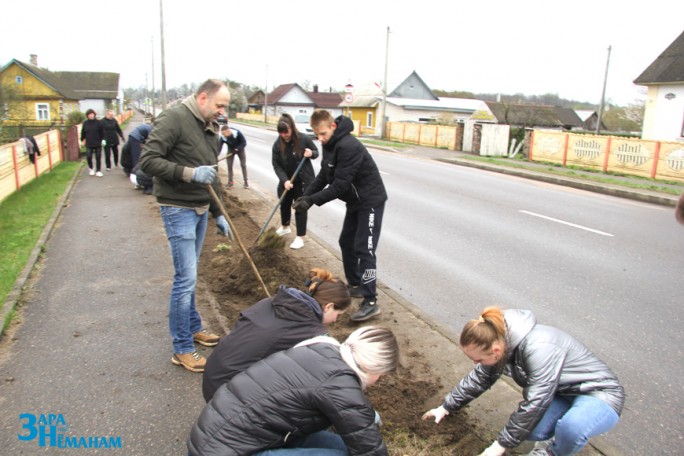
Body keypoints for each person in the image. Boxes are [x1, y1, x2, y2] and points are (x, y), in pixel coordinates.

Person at [422, 307, 625, 456]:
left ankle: (556, 451)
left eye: (478, 359)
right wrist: (445, 407)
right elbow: (479, 378)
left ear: (495, 351)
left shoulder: (539, 348)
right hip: (562, 393)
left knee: (571, 429)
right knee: (531, 430)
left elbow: (536, 401)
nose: (476, 363)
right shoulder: (501, 342)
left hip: (599, 394)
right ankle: (563, 435)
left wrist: (498, 446)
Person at [139, 79, 234, 373]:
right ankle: (181, 348)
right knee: (185, 279)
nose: (222, 111)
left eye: (225, 107)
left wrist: (219, 212)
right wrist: (189, 174)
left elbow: (212, 177)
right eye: (219, 105)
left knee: (191, 276)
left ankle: (193, 327)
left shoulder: (209, 127)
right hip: (177, 208)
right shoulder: (175, 118)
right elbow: (148, 160)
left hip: (201, 208)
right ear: (203, 98)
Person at [188, 325, 399, 455]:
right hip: (225, 450)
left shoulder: (322, 349)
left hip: (216, 437)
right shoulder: (340, 385)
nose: (378, 380)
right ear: (373, 367)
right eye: (381, 374)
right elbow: (369, 450)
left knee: (342, 445)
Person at [202, 267, 351, 402]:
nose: (336, 320)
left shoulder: (273, 302)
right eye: (338, 314)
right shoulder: (311, 333)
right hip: (228, 397)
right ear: (329, 307)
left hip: (213, 376)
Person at [293, 110, 387, 322]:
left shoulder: (349, 146)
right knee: (346, 242)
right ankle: (356, 286)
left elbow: (339, 185)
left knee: (366, 250)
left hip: (370, 202)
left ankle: (371, 301)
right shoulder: (330, 145)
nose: (321, 139)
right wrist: (304, 197)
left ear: (333, 126)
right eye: (317, 135)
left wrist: (312, 201)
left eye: (324, 134)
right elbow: (324, 176)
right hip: (355, 201)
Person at [271, 113, 319, 250]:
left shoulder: (303, 139)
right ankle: (285, 226)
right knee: (284, 203)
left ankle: (300, 237)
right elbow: (276, 164)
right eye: (281, 133)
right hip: (287, 181)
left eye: (286, 132)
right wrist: (284, 180)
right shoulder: (277, 144)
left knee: (300, 207)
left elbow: (316, 152)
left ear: (292, 128)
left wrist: (311, 153)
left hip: (302, 181)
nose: (284, 135)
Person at [217, 121, 248, 188]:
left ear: (229, 131)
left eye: (225, 134)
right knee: (229, 166)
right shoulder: (223, 137)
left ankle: (246, 182)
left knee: (243, 165)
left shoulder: (237, 133)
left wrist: (238, 148)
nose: (224, 136)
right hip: (231, 150)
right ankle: (230, 182)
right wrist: (216, 156)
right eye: (223, 134)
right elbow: (219, 147)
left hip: (240, 149)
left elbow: (244, 142)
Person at [80, 108, 104, 177]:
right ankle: (91, 168)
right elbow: (83, 132)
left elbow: (102, 132)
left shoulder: (98, 123)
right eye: (89, 114)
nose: (90, 115)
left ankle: (98, 170)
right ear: (87, 116)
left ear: (94, 114)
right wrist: (82, 140)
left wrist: (103, 139)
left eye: (92, 114)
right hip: (89, 143)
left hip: (97, 142)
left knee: (98, 156)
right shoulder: (85, 123)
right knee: (89, 156)